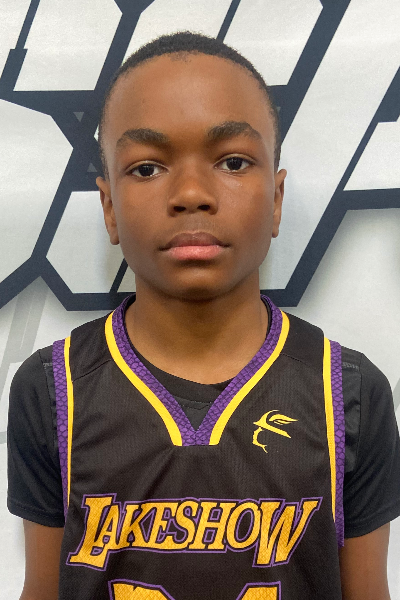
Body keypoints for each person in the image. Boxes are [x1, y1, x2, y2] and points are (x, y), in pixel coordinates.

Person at [7, 31, 400, 600]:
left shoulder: (350, 392)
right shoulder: (52, 388)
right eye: (147, 168)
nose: (191, 193)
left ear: (276, 201)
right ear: (109, 207)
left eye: (233, 162)